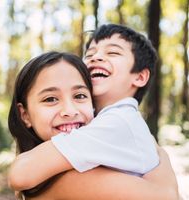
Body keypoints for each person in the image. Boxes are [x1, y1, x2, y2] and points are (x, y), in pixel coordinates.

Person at [9, 23, 170, 189]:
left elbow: (21, 174)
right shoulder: (114, 121)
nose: (96, 57)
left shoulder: (116, 123)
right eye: (90, 54)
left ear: (140, 77)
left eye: (113, 52)